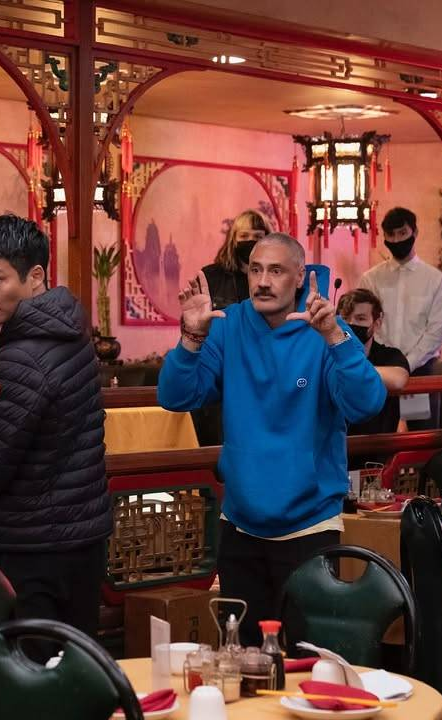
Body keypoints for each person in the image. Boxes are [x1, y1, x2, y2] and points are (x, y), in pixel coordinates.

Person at [159, 233, 386, 646]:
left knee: (306, 656)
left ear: (300, 276)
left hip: (309, 526)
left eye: (276, 271)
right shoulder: (229, 325)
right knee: (244, 657)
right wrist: (191, 339)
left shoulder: (324, 327)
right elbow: (176, 396)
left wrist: (335, 337)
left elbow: (367, 402)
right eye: (255, 270)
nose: (263, 280)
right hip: (241, 525)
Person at [0, 214, 111, 646]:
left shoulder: (22, 356)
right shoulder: (70, 331)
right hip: (82, 537)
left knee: (29, 684)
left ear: (35, 276)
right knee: (75, 672)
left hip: (33, 545)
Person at [358, 207, 442, 429]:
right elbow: (363, 322)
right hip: (379, 370)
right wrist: (390, 364)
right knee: (377, 439)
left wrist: (405, 364)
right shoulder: (371, 279)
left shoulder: (435, 280)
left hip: (420, 371)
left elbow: (435, 333)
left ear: (415, 233)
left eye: (402, 233)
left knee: (420, 441)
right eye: (390, 235)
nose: (396, 239)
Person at [194, 210, 272, 447]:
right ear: (232, 239)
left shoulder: (273, 280)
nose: (250, 241)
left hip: (266, 369)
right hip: (221, 371)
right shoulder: (211, 276)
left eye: (258, 236)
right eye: (244, 235)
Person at [337, 288, 410, 436]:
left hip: (378, 449)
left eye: (361, 318)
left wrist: (349, 369)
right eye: (345, 318)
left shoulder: (390, 355)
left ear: (377, 323)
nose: (351, 324)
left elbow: (398, 379)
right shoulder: (331, 353)